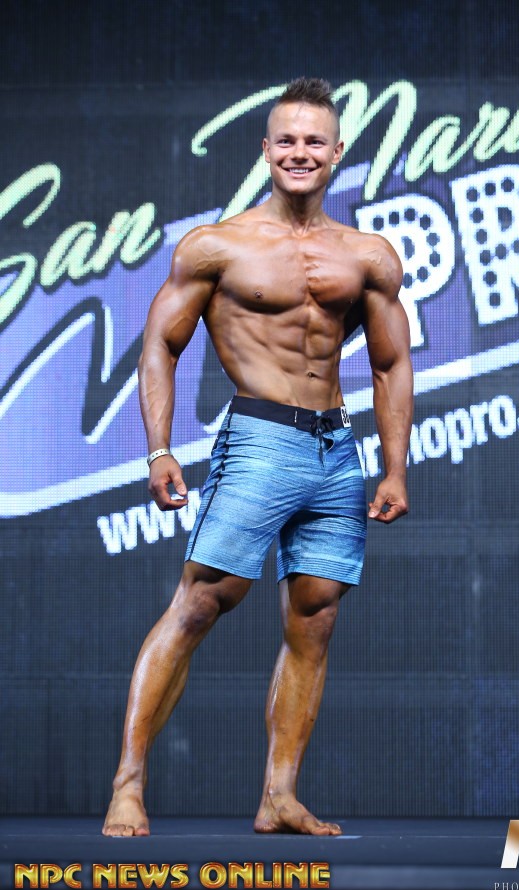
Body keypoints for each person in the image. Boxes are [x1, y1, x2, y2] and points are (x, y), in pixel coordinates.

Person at [103, 77, 413, 838]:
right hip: (259, 438)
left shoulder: (367, 255)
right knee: (200, 602)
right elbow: (160, 346)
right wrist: (158, 450)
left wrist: (395, 466)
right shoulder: (217, 246)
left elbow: (390, 364)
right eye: (287, 140)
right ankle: (128, 785)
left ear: (337, 153)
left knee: (316, 618)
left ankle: (279, 795)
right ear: (266, 149)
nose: (300, 152)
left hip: (336, 449)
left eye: (315, 141)